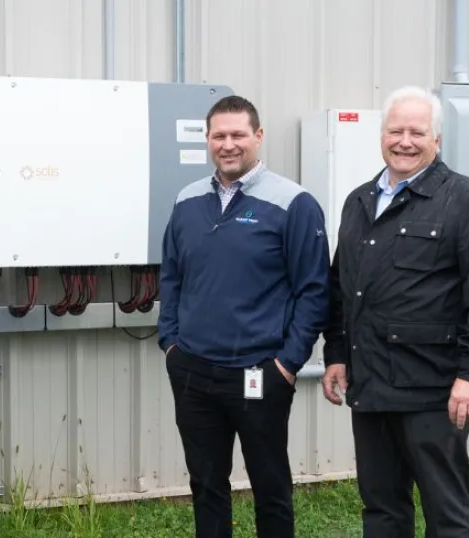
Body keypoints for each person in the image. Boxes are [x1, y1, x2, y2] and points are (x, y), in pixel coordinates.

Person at [321, 85, 469, 537]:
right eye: (395, 130)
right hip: (370, 385)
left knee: (446, 514)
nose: (404, 140)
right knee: (381, 509)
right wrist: (337, 353)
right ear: (381, 135)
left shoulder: (468, 200)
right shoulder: (360, 200)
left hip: (434, 388)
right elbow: (341, 286)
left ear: (437, 140)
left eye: (417, 132)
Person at [158, 95, 331, 538]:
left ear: (258, 136)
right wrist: (171, 343)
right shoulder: (186, 201)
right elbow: (172, 275)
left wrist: (288, 364)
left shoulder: (294, 203)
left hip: (260, 373)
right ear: (208, 140)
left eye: (238, 134)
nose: (228, 144)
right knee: (206, 485)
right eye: (219, 135)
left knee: (270, 486)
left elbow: (314, 290)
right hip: (193, 370)